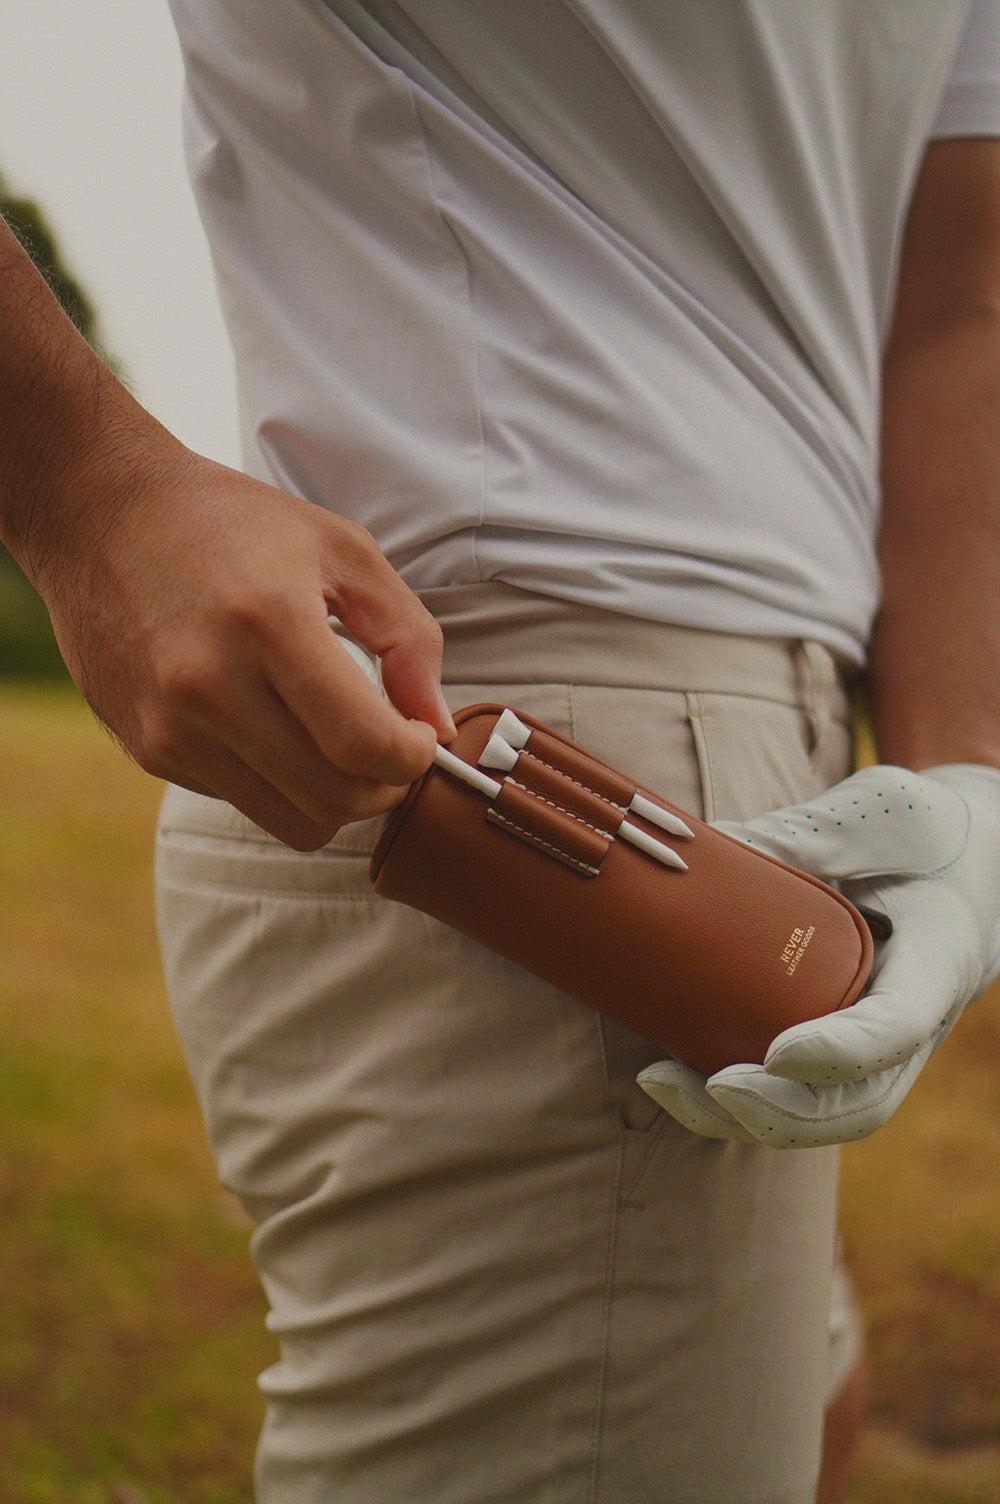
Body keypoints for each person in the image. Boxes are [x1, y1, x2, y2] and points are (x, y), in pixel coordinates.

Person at [2, 2, 999, 1500]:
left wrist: (968, 776)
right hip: (496, 720)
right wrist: (84, 486)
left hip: (773, 764)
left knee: (812, 1418)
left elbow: (959, 289)